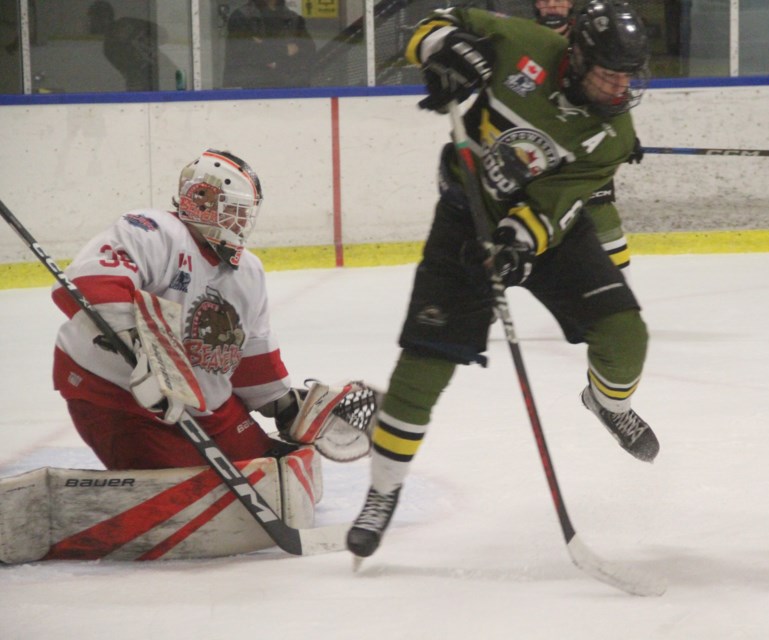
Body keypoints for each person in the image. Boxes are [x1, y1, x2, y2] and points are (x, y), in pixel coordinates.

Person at [346, 0, 657, 561]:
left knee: (625, 335)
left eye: (627, 78)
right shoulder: (525, 44)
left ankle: (607, 404)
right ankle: (382, 492)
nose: (619, 89)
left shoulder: (611, 133)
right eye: (610, 74)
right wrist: (444, 49)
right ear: (578, 56)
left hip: (549, 234)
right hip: (465, 217)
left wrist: (518, 242)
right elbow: (433, 21)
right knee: (426, 363)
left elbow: (555, 204)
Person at [52, 149, 376, 470]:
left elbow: (250, 356)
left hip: (202, 403)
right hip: (115, 394)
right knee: (190, 488)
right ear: (201, 201)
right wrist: (136, 347)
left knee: (271, 469)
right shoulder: (153, 231)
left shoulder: (248, 271)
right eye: (234, 210)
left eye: (246, 212)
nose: (242, 221)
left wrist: (283, 404)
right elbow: (90, 282)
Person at [531, 0, 645, 279]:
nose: (552, 4)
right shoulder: (522, 41)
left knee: (605, 228)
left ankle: (615, 301)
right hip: (539, 156)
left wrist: (622, 136)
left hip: (587, 152)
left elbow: (614, 90)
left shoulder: (595, 37)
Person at [223, 0, 315, 89]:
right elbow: (245, 54)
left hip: (287, 89)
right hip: (250, 91)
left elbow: (308, 52)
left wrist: (265, 47)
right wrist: (285, 49)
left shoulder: (293, 18)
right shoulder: (241, 16)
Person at [87, 0, 174, 92]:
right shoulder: (127, 22)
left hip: (154, 84)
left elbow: (134, 78)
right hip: (169, 72)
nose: (89, 23)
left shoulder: (109, 47)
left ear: (104, 19)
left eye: (92, 19)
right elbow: (163, 35)